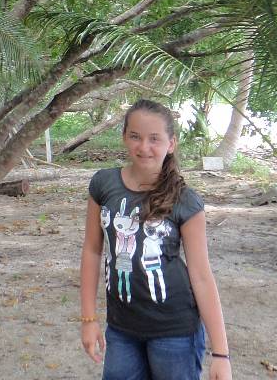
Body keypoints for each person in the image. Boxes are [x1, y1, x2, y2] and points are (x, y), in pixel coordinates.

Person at [79, 99, 231, 380]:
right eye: (135, 136)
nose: (144, 147)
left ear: (170, 144)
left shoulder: (186, 201)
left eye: (154, 139)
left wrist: (221, 353)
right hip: (121, 328)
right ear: (124, 137)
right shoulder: (103, 184)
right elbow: (92, 250)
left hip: (175, 332)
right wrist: (88, 319)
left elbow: (201, 276)